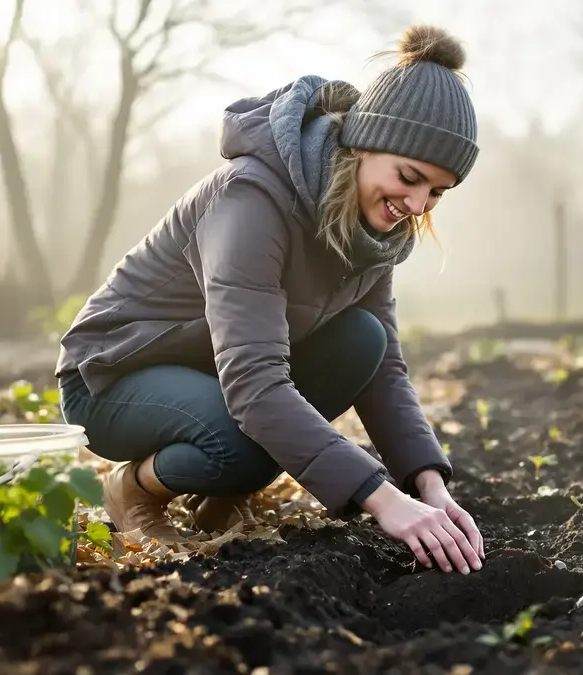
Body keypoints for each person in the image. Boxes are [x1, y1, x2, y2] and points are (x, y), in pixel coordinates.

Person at [55, 25, 485, 575]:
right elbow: (254, 384)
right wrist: (383, 500)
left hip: (214, 373)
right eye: (410, 177)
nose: (418, 204)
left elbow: (385, 371)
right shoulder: (251, 199)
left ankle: (222, 490)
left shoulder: (371, 230)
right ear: (364, 142)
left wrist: (428, 486)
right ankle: (133, 487)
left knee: (364, 340)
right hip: (113, 375)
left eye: (437, 193)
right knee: (244, 444)